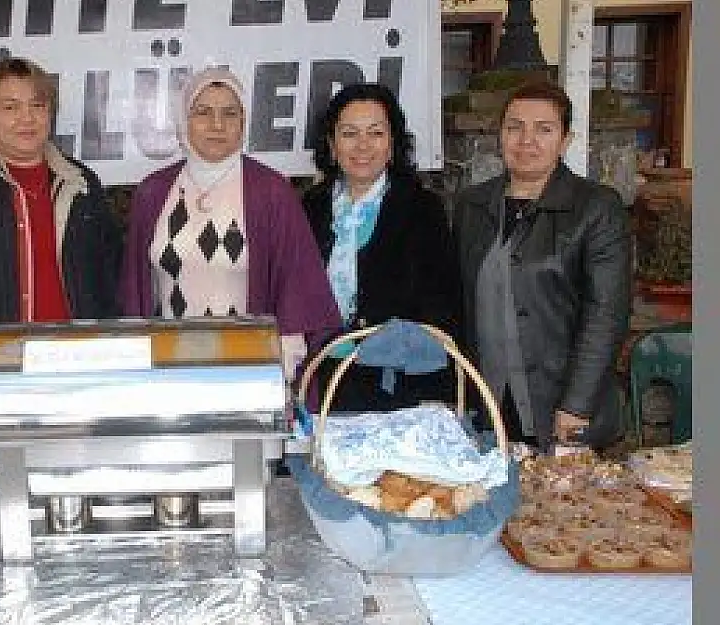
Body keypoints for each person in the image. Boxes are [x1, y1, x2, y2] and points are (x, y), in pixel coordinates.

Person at [118, 67, 340, 382]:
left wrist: (282, 373)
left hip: (250, 370)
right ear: (184, 120)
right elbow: (135, 295)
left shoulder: (272, 192)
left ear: (243, 122)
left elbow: (296, 288)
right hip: (168, 370)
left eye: (229, 113)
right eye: (203, 112)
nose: (216, 125)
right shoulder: (153, 193)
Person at [0, 58, 122, 398]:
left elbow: (112, 280)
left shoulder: (83, 185)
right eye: (10, 107)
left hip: (83, 373)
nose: (26, 119)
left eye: (37, 105)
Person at [451, 82, 631, 451]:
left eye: (544, 129)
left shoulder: (595, 208)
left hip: (561, 408)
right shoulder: (473, 206)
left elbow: (606, 314)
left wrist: (577, 404)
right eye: (514, 127)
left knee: (561, 506)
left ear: (565, 140)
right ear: (500, 135)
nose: (526, 140)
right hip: (489, 402)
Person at [301, 82, 463, 413]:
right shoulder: (308, 208)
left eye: (376, 133)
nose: (362, 145)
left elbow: (442, 305)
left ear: (392, 145)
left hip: (399, 385)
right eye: (349, 133)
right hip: (322, 381)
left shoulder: (422, 208)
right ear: (332, 145)